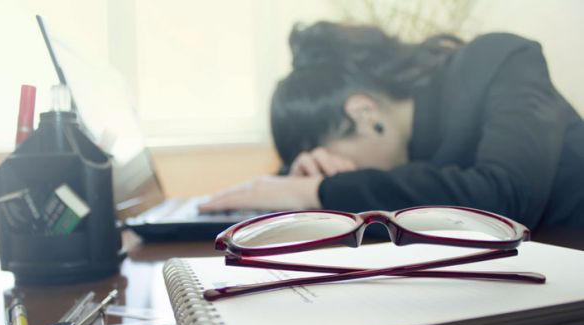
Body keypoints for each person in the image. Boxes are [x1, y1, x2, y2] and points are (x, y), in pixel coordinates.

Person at [199, 21, 584, 239]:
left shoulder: (503, 59)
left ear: (364, 112)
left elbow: (505, 198)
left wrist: (317, 191)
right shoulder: (403, 151)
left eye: (330, 155)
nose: (333, 170)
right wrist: (296, 182)